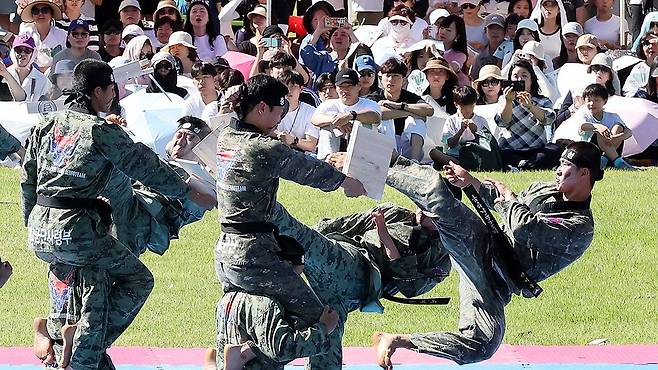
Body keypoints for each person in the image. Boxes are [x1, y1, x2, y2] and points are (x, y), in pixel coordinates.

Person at [21, 59, 213, 370]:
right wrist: (188, 190)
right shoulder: (100, 131)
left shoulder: (47, 124)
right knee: (138, 279)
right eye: (111, 89)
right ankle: (78, 345)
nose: (114, 94)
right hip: (77, 232)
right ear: (97, 91)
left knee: (77, 285)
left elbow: (28, 178)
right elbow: (144, 164)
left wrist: (31, 222)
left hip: (42, 230)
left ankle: (57, 335)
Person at [374, 140, 601, 367]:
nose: (558, 170)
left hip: (495, 282)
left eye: (565, 165)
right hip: (481, 245)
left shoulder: (580, 227)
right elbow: (501, 201)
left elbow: (525, 229)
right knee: (440, 200)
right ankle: (383, 162)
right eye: (559, 164)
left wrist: (510, 198)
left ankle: (398, 341)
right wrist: (470, 181)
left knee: (483, 344)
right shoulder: (544, 189)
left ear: (584, 173)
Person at [214, 75, 366, 366]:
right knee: (322, 319)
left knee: (269, 317)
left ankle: (245, 353)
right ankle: (249, 353)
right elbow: (307, 169)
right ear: (261, 108)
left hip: (225, 252)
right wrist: (346, 181)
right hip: (254, 255)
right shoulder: (262, 148)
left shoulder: (227, 137)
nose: (282, 115)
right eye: (279, 109)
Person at [211, 200, 451, 370]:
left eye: (431, 209)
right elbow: (345, 225)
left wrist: (387, 239)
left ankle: (250, 351)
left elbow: (409, 287)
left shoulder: (442, 257)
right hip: (346, 255)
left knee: (326, 335)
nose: (422, 209)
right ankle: (262, 208)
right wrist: (305, 247)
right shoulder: (395, 213)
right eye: (422, 203)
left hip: (363, 278)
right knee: (305, 240)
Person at [369, 57, 435, 161]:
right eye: (388, 76)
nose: (391, 80)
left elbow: (429, 110)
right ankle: (393, 160)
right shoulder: (375, 96)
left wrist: (401, 106)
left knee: (418, 121)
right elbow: (379, 113)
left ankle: (414, 162)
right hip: (384, 146)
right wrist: (408, 113)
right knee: (385, 121)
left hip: (405, 144)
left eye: (395, 76)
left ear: (403, 80)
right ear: (381, 78)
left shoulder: (408, 96)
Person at [495, 60, 557, 169]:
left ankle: (522, 165)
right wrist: (508, 102)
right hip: (510, 149)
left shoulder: (542, 100)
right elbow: (502, 123)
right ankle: (525, 165)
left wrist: (531, 106)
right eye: (515, 76)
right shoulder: (503, 100)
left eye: (524, 76)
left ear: (531, 79)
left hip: (536, 149)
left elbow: (549, 119)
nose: (520, 80)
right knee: (501, 155)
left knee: (554, 151)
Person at [311, 69, 382, 160]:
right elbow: (315, 119)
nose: (345, 90)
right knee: (326, 128)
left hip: (364, 157)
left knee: (363, 124)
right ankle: (328, 161)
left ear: (359, 86)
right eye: (341, 87)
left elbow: (375, 117)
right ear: (336, 88)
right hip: (336, 147)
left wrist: (351, 116)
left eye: (349, 86)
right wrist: (337, 121)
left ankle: (358, 162)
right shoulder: (329, 104)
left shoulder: (369, 104)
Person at [576, 83, 635, 169]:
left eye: (596, 100)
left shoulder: (613, 116)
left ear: (605, 101)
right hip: (590, 152)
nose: (592, 103)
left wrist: (617, 137)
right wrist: (598, 127)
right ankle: (618, 162)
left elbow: (629, 132)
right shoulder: (583, 113)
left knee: (618, 127)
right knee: (600, 133)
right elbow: (583, 126)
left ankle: (605, 159)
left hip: (612, 150)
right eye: (589, 100)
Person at [429, 85, 489, 167]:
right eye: (463, 108)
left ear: (475, 103)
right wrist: (460, 131)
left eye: (470, 107)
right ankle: (459, 165)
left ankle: (462, 165)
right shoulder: (451, 120)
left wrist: (475, 131)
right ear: (456, 104)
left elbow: (487, 143)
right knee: (433, 152)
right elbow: (450, 144)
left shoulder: (481, 120)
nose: (467, 111)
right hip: (455, 156)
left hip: (475, 155)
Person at [274, 70, 319, 153]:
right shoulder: (272, 107)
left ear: (301, 89)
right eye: (285, 86)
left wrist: (293, 140)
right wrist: (278, 135)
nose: (288, 90)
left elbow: (311, 145)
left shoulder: (311, 111)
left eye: (293, 86)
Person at [17, 0, 67, 71]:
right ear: (32, 16)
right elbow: (19, 58)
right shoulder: (25, 33)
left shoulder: (62, 35)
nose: (40, 14)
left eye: (45, 10)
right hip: (29, 74)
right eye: (36, 11)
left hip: (54, 75)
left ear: (51, 14)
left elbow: (65, 61)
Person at [6, 33, 52, 101]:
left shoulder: (43, 81)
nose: (22, 54)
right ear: (12, 51)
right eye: (18, 50)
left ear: (34, 53)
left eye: (27, 50)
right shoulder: (3, 75)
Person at [470, 13, 508, 80]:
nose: (495, 32)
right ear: (485, 31)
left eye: (499, 28)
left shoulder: (511, 50)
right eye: (491, 28)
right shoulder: (480, 57)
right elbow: (474, 79)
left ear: (505, 31)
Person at [436, 15, 470, 86]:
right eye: (442, 28)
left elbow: (452, 68)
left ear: (457, 35)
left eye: (448, 30)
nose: (443, 32)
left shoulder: (459, 55)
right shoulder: (430, 46)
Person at [623, 31, 658, 97]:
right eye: (646, 43)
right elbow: (628, 91)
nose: (650, 46)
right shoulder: (638, 68)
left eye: (654, 43)